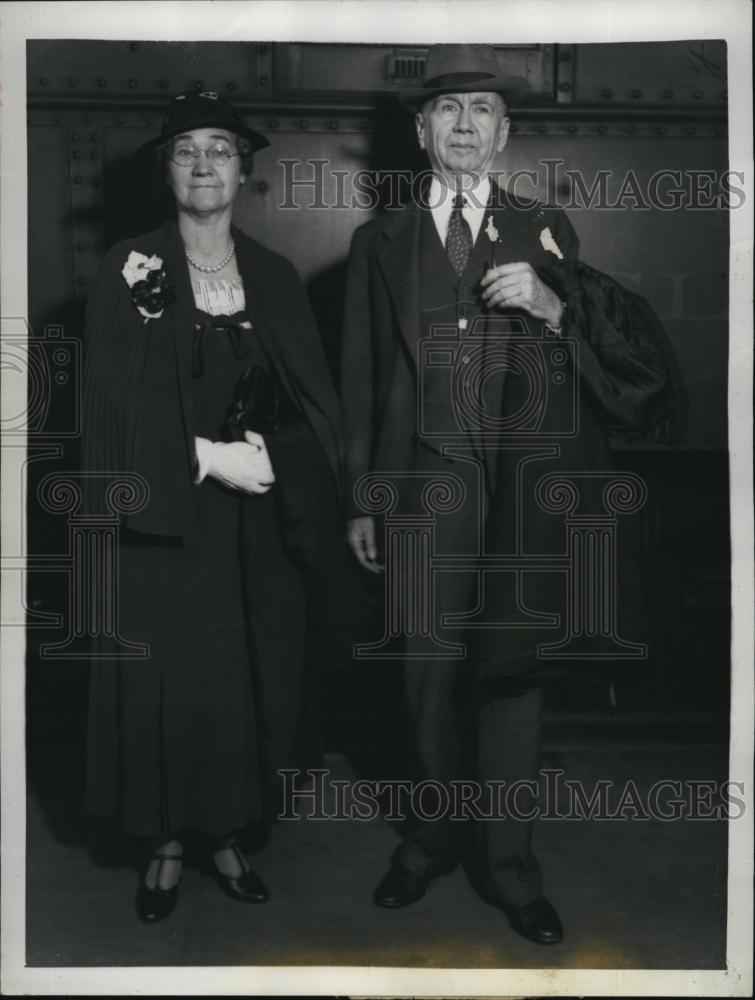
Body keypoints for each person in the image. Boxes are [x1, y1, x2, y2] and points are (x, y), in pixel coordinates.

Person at [341, 45, 676, 944]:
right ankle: (428, 840)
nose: (463, 126)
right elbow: (362, 380)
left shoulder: (547, 228)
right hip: (420, 492)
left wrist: (552, 304)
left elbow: (602, 353)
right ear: (419, 133)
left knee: (508, 685)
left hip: (520, 493)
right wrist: (363, 501)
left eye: (482, 111)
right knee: (421, 681)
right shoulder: (377, 244)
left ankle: (509, 867)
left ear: (504, 132)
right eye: (447, 112)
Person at [82, 90, 345, 922]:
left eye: (220, 150)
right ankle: (164, 842)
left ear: (244, 172)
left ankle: (226, 832)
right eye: (186, 150)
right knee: (165, 682)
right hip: (163, 526)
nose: (204, 164)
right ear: (165, 170)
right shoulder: (130, 267)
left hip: (253, 530)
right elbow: (104, 408)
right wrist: (197, 456)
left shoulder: (270, 275)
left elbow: (314, 406)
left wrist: (272, 459)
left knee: (242, 681)